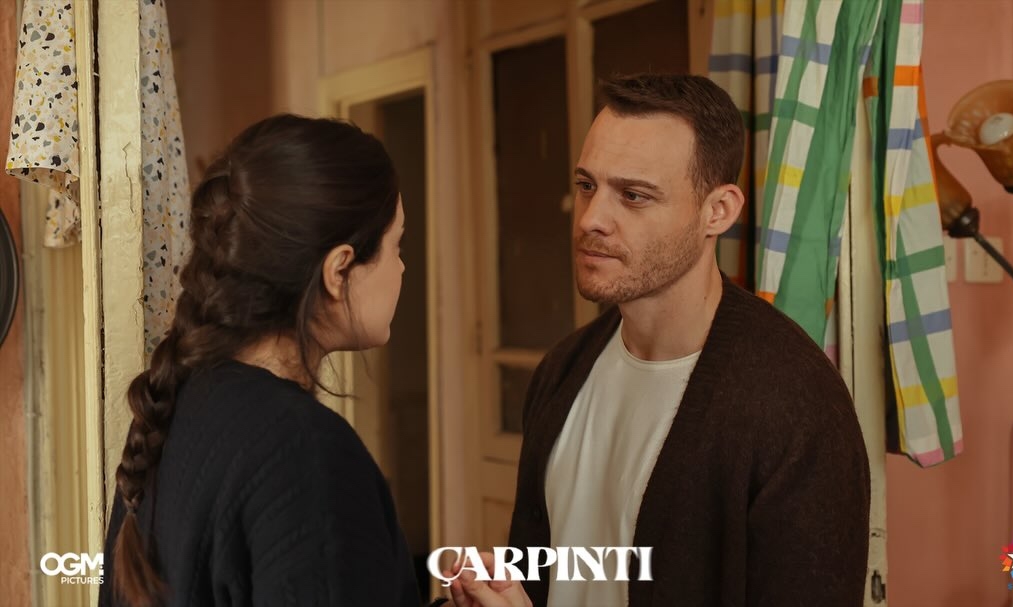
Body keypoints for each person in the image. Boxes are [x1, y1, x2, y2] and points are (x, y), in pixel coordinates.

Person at [100, 115, 528, 607]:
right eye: (397, 245)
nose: (402, 266)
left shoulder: (179, 402)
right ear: (339, 270)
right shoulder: (306, 454)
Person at [507, 74, 871, 606]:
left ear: (717, 211)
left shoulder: (795, 404)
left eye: (633, 195)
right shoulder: (562, 372)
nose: (591, 220)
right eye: (587, 186)